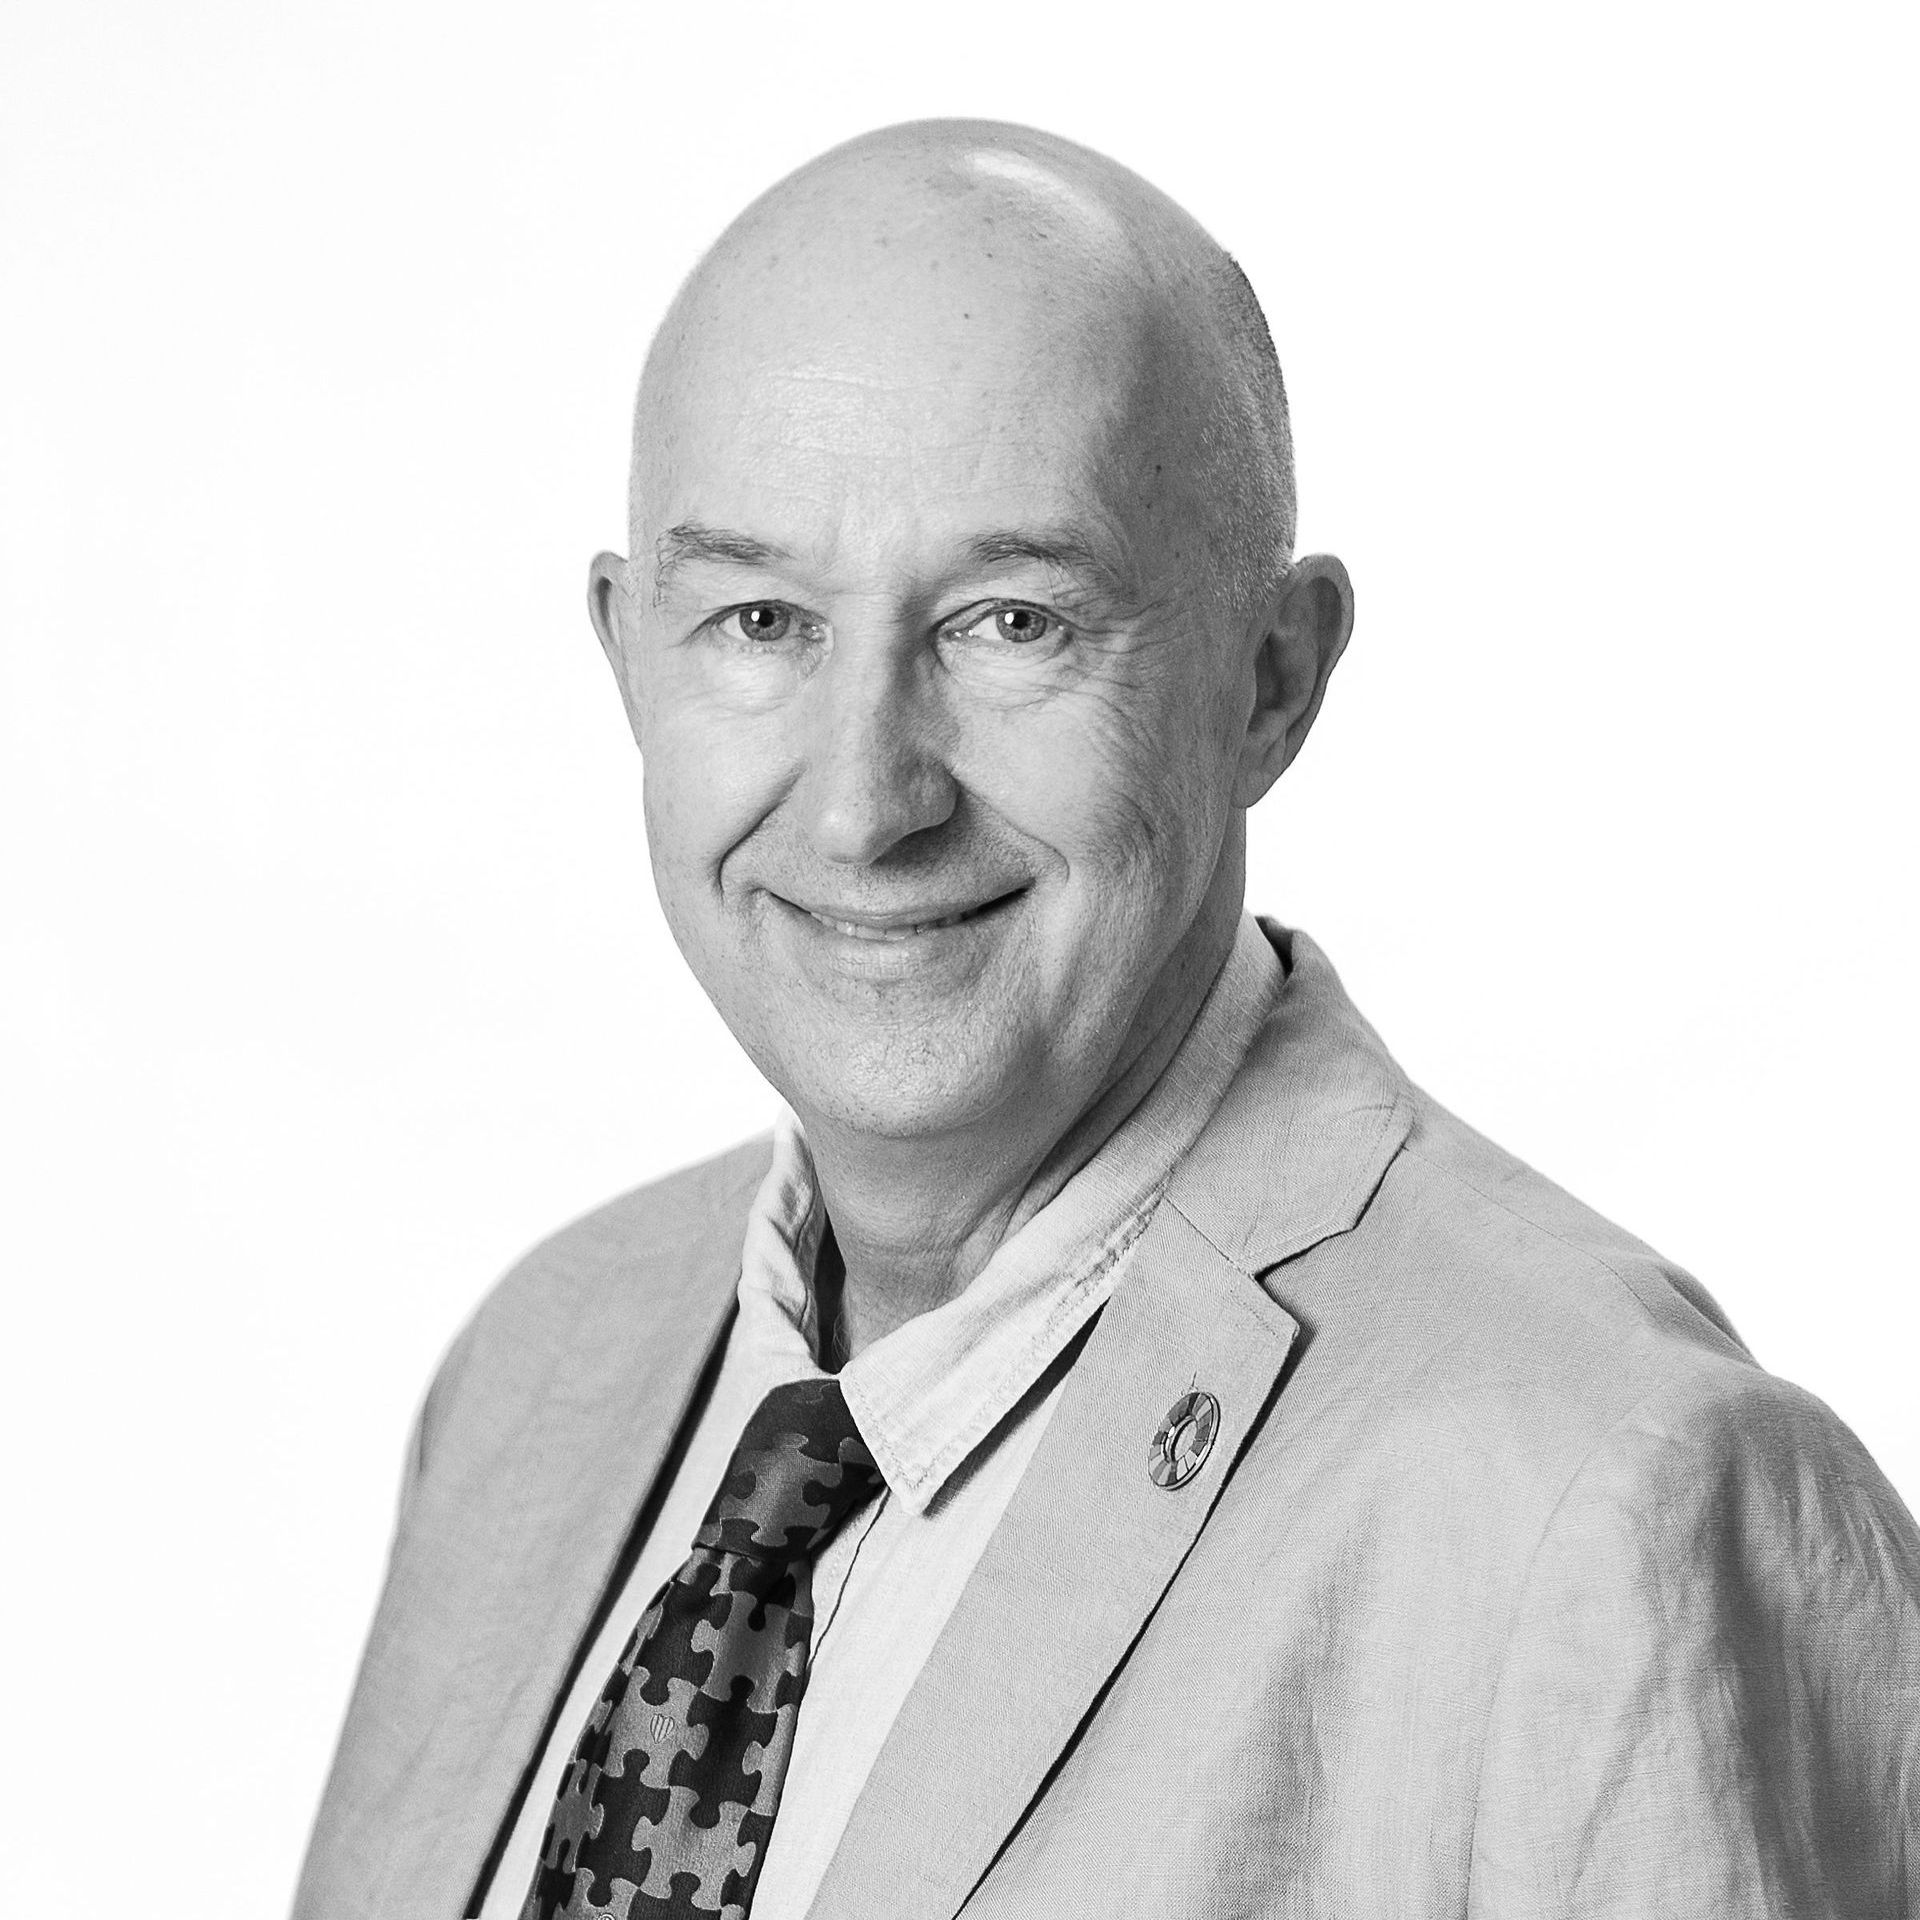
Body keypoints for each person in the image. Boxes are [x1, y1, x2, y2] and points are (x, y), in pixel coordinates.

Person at [293, 120, 1919, 1919]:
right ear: (625, 656)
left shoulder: (1615, 1506)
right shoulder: (540, 1370)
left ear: (1269, 680)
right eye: (759, 619)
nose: (863, 804)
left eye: (1011, 622)